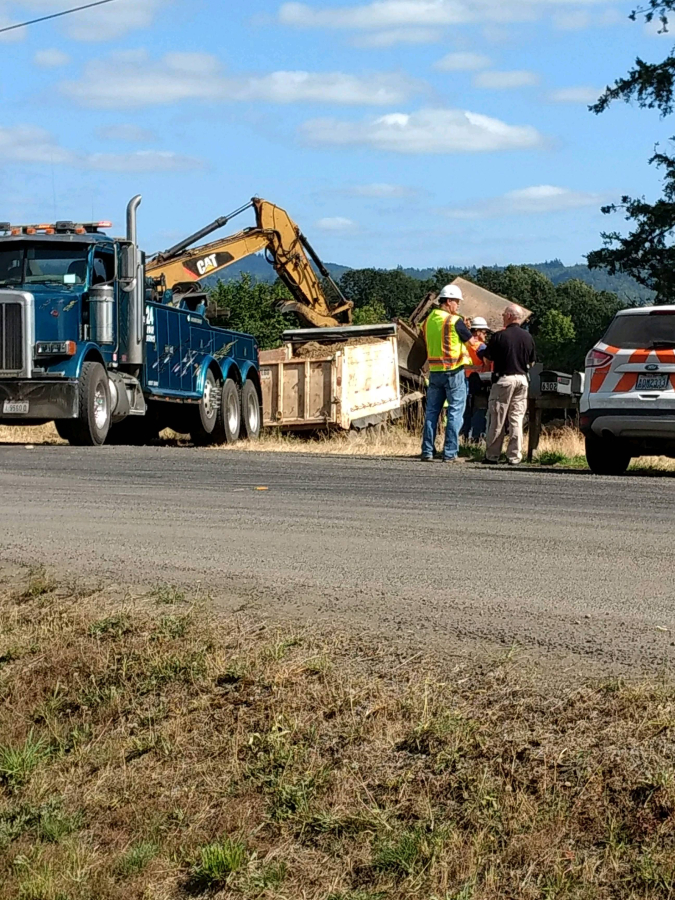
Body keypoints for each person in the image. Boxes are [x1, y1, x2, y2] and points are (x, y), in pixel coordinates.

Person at [421, 284, 477, 462]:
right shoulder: (454, 321)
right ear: (449, 301)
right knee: (454, 412)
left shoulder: (427, 321)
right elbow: (472, 343)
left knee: (431, 413)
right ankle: (450, 453)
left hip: (434, 372)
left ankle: (427, 452)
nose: (458, 306)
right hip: (453, 372)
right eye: (457, 302)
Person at [480, 304, 535, 466]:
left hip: (504, 380)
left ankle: (492, 455)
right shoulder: (528, 337)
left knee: (497, 417)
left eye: (504, 314)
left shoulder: (499, 337)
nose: (502, 317)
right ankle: (514, 456)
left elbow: (488, 360)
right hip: (522, 380)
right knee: (516, 418)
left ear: (510, 316)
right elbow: (531, 362)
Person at [462, 317, 493, 442]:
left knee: (466, 410)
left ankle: (465, 437)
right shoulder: (480, 347)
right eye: (484, 332)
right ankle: (477, 437)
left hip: (463, 379)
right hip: (479, 381)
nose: (485, 335)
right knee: (479, 410)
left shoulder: (464, 343)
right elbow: (487, 362)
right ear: (478, 332)